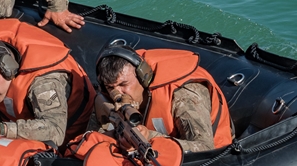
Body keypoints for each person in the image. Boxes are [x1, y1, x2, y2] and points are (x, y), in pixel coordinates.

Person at [0, 19, 94, 150]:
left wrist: (0, 129)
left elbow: (55, 131)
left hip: (70, 132)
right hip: (11, 121)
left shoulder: (43, 83)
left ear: (8, 68)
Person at [90, 43, 234, 153]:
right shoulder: (108, 98)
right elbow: (91, 135)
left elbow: (205, 148)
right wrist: (116, 138)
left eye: (124, 84)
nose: (118, 94)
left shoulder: (184, 95)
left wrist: (151, 137)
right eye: (110, 87)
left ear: (142, 76)